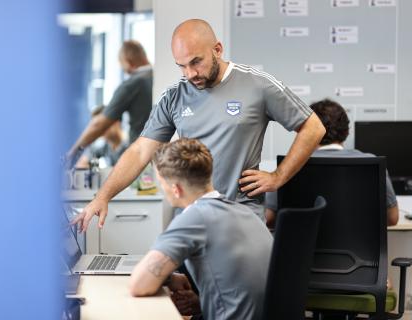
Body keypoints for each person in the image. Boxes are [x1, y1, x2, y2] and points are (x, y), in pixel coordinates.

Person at [72, 18, 325, 232]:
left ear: (217, 49)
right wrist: (102, 197)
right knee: (178, 290)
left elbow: (313, 127)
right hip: (190, 220)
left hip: (240, 219)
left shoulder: (258, 85)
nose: (190, 74)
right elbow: (140, 151)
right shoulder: (174, 96)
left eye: (196, 62)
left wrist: (278, 176)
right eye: (182, 66)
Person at [129, 138, 273, 320]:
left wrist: (165, 277)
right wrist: (184, 288)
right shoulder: (244, 211)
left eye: (161, 182)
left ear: (176, 189)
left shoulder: (194, 217)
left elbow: (139, 285)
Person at [265, 98, 399, 227]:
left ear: (305, 132)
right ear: (346, 131)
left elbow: (269, 218)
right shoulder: (372, 164)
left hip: (302, 250)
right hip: (359, 250)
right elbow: (392, 218)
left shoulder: (287, 167)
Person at [66, 40, 152, 166]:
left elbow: (99, 124)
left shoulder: (133, 84)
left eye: (121, 64)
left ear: (128, 61)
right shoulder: (157, 77)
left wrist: (73, 153)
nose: (123, 70)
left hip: (141, 156)